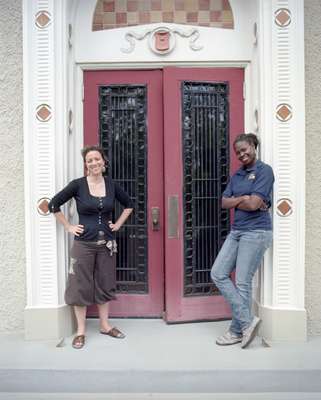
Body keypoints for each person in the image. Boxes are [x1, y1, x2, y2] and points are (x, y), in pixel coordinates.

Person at [48, 145, 133, 349]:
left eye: (97, 159)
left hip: (107, 244)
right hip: (83, 245)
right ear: (86, 165)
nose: (93, 163)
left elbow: (129, 204)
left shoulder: (112, 185)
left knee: (105, 283)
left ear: (104, 162)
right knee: (80, 286)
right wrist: (68, 226)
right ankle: (81, 331)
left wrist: (118, 224)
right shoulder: (77, 185)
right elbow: (53, 204)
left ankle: (105, 325)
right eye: (89, 161)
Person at [211, 133, 274, 349]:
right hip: (237, 231)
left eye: (245, 149)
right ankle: (248, 322)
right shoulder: (237, 175)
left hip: (256, 232)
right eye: (238, 152)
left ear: (254, 146)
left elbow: (255, 204)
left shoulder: (264, 171)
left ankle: (237, 331)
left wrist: (242, 201)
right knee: (218, 273)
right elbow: (223, 202)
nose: (241, 154)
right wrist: (241, 199)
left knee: (242, 282)